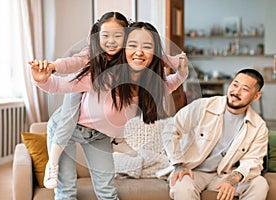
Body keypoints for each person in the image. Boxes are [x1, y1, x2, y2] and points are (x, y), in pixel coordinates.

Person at [30, 20, 188, 199]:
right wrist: (40, 79)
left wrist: (182, 71)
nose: (139, 51)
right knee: (66, 191)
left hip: (99, 136)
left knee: (107, 192)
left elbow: (173, 82)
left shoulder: (151, 85)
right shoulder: (102, 75)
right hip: (67, 128)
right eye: (132, 45)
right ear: (123, 49)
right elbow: (58, 85)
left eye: (147, 46)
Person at [162, 68, 269, 200]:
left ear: (256, 96)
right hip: (192, 171)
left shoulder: (259, 126)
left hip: (224, 174)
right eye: (235, 85)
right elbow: (170, 130)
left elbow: (254, 160)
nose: (236, 92)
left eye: (245, 89)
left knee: (260, 184)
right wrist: (178, 164)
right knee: (182, 185)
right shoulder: (203, 106)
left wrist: (235, 177)